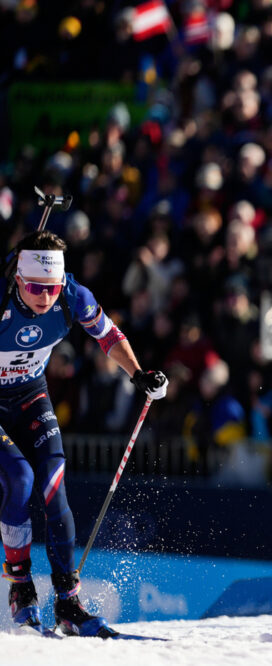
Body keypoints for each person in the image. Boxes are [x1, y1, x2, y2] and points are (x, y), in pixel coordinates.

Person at [0, 230, 168, 637]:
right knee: (19, 478)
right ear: (18, 280)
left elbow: (108, 335)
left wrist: (138, 375)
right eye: (35, 287)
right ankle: (21, 587)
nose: (45, 297)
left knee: (54, 485)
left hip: (30, 395)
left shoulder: (74, 296)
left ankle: (68, 603)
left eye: (52, 287)